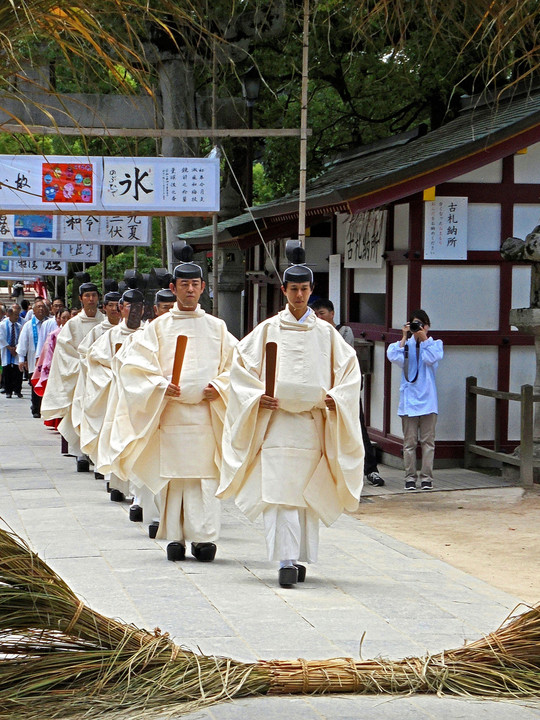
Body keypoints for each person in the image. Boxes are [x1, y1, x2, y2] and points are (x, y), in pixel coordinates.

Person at [217, 244, 364, 588]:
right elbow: (240, 368)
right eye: (293, 289)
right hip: (278, 424)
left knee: (306, 494)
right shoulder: (268, 329)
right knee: (280, 492)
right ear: (283, 291)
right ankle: (284, 560)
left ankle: (299, 557)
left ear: (311, 291)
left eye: (304, 289)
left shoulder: (326, 333)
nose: (298, 294)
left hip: (312, 424)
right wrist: (256, 397)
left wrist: (335, 398)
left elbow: (349, 372)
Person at [99, 247, 237, 562]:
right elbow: (134, 368)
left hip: (205, 413)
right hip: (171, 412)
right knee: (173, 477)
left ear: (203, 287)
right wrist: (159, 386)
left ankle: (203, 539)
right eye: (183, 285)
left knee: (204, 477)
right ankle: (175, 536)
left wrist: (219, 386)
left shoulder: (217, 328)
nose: (190, 290)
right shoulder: (157, 329)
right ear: (173, 289)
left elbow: (237, 367)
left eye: (195, 284)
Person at [311, 298, 385, 488]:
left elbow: (343, 357)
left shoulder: (344, 331)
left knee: (356, 428)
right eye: (316, 314)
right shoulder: (312, 334)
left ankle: (371, 470)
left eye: (322, 313)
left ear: (332, 313)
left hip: (345, 391)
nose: (319, 317)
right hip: (322, 391)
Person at [80, 289, 144, 499]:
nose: (133, 311)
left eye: (137, 307)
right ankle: (117, 484)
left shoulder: (150, 333)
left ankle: (138, 493)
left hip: (143, 396)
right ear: (120, 308)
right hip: (116, 393)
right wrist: (113, 376)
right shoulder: (110, 335)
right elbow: (94, 360)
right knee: (118, 437)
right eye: (128, 306)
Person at [41, 283, 104, 470]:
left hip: (101, 378)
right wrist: (83, 364)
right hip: (79, 377)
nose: (91, 299)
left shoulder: (106, 322)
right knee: (79, 413)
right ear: (81, 299)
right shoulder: (73, 325)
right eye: (87, 296)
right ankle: (80, 454)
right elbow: (64, 353)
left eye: (94, 295)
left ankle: (98, 452)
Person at [386, 309, 444, 491]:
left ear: (428, 326)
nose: (419, 328)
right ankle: (409, 477)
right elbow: (393, 357)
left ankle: (427, 478)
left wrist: (424, 338)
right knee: (409, 443)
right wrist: (404, 337)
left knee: (428, 443)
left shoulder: (435, 344)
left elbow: (431, 359)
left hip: (428, 402)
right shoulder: (404, 346)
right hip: (409, 402)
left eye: (422, 325)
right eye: (415, 325)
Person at [16, 298, 50, 417]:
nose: (41, 309)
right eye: (38, 307)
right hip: (33, 361)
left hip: (48, 360)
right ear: (33, 311)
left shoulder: (49, 323)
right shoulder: (28, 325)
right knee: (35, 384)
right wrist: (21, 359)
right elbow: (23, 342)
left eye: (43, 307)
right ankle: (36, 408)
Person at [0, 304, 23, 398]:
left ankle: (17, 390)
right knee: (7, 370)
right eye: (15, 315)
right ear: (9, 314)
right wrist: (9, 347)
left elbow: (21, 338)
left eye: (18, 315)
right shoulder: (2, 325)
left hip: (16, 350)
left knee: (17, 371)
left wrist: (16, 347)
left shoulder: (19, 325)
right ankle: (8, 390)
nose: (17, 317)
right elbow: (1, 337)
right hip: (6, 350)